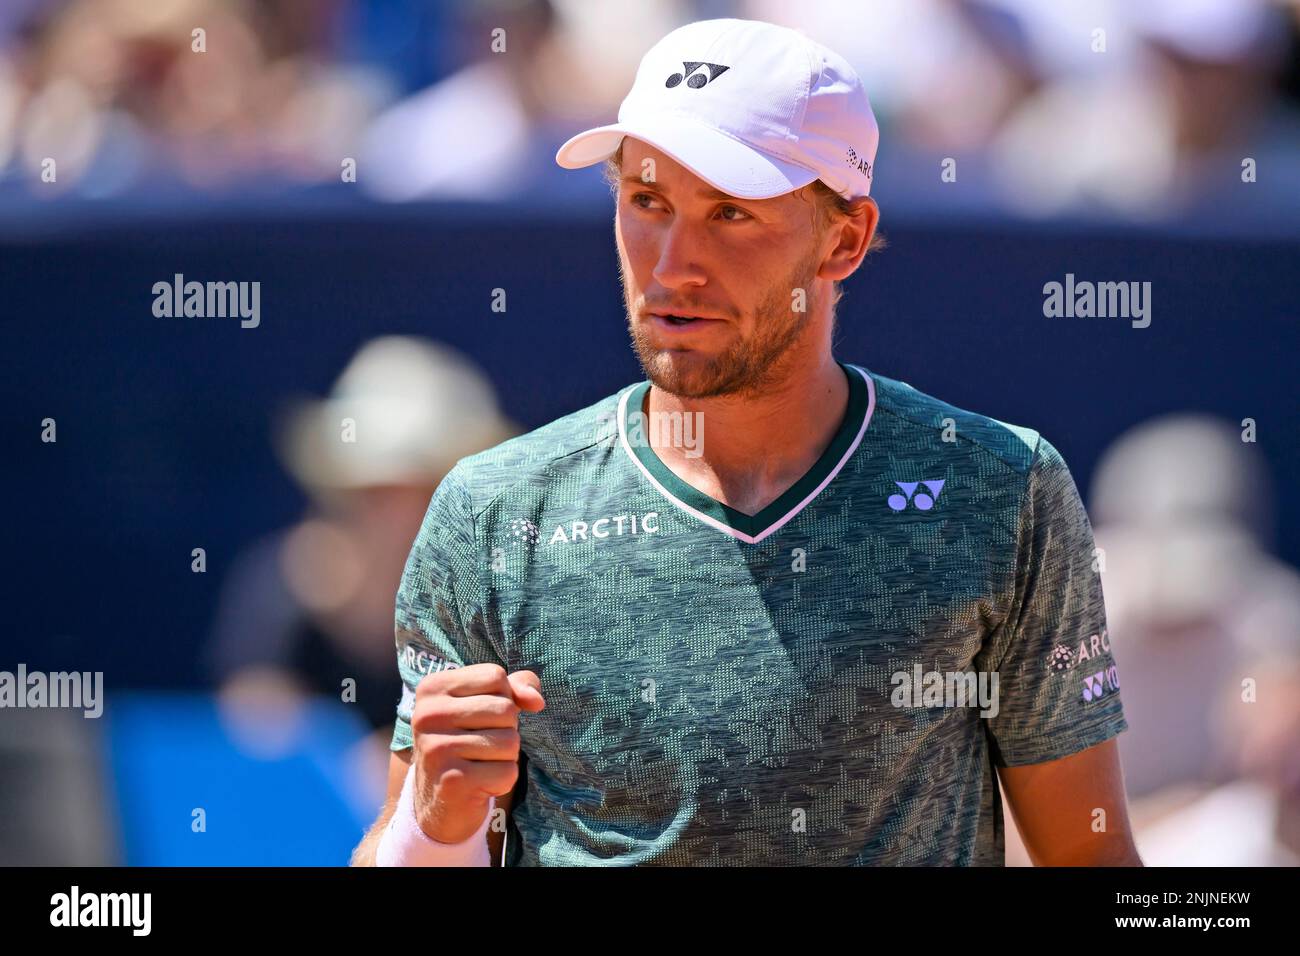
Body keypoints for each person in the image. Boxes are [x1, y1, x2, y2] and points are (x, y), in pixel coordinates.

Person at [352, 18, 1138, 867]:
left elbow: (1090, 858)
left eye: (730, 213)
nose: (673, 265)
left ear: (844, 239)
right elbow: (408, 840)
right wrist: (433, 824)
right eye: (646, 202)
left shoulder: (1001, 489)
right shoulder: (493, 513)